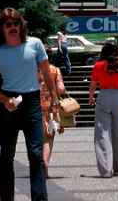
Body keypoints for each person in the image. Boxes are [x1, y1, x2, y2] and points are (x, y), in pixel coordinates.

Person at [0, 8, 59, 201]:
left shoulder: (35, 44)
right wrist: (4, 100)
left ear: (21, 25)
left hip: (32, 102)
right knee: (6, 156)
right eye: (8, 24)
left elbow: (46, 72)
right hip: (9, 102)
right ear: (2, 27)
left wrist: (54, 97)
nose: (13, 27)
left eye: (16, 23)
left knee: (36, 154)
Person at [89, 41, 118, 178]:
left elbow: (93, 84)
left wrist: (91, 97)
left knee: (102, 132)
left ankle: (106, 169)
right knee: (117, 133)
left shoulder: (98, 65)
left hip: (104, 95)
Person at [38, 46, 65, 178]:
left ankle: (38, 165)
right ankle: (45, 163)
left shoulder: (31, 70)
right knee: (48, 138)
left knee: (35, 138)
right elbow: (61, 89)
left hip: (34, 107)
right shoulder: (54, 70)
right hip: (51, 108)